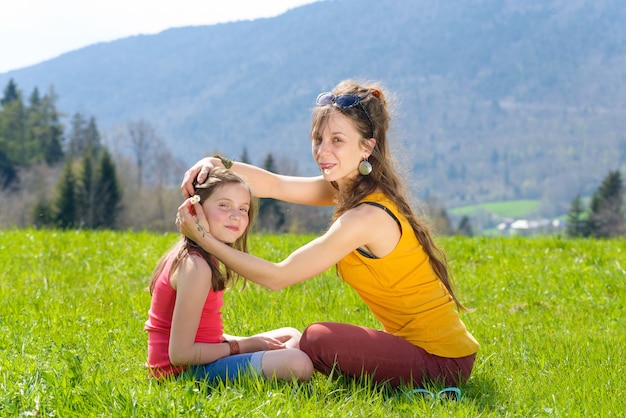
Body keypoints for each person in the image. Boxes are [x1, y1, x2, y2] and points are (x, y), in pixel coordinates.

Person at [178, 79, 479, 388]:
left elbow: (278, 276)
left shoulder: (367, 216)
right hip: (428, 350)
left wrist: (205, 239)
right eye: (318, 138)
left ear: (367, 147)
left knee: (316, 340)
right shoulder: (350, 189)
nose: (322, 151)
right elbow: (275, 185)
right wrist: (217, 163)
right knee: (297, 341)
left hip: (441, 361)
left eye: (337, 140)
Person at [145, 167, 314, 383]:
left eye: (243, 209)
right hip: (182, 374)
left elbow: (206, 338)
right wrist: (244, 346)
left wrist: (254, 341)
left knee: (292, 336)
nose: (235, 215)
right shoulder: (195, 266)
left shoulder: (202, 257)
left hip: (200, 359)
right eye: (224, 205)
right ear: (196, 209)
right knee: (298, 363)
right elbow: (180, 354)